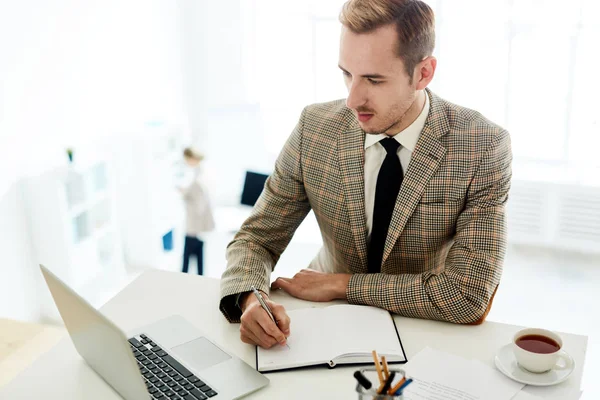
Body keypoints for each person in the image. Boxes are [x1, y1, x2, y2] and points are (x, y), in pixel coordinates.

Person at [220, 0, 512, 349]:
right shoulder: (314, 128)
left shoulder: (483, 145)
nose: (352, 99)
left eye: (373, 79)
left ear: (424, 73)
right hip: (322, 319)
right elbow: (256, 239)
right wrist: (250, 299)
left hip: (421, 324)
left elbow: (468, 294)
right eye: (347, 74)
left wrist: (343, 284)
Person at [179, 147, 215, 275]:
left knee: (188, 253)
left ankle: (184, 276)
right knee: (195, 251)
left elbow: (198, 204)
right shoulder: (199, 173)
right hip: (196, 224)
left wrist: (185, 195)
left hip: (195, 223)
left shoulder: (199, 178)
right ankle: (195, 275)